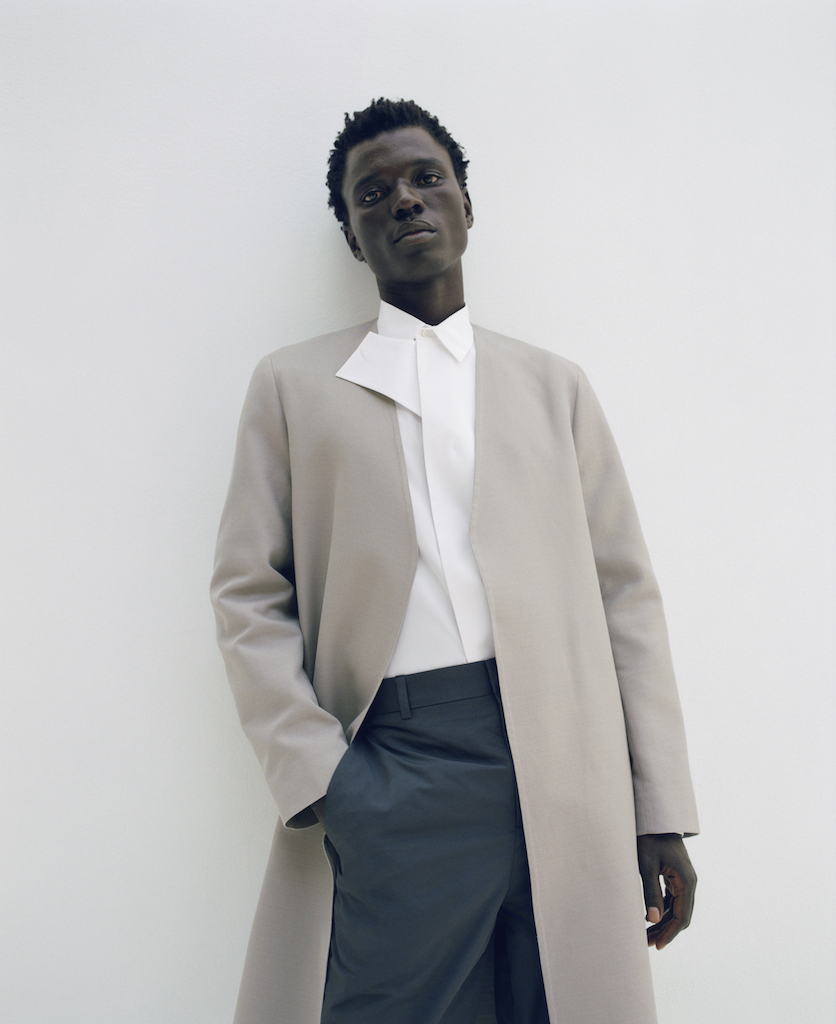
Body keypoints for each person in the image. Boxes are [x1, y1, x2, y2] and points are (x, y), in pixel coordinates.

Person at [211, 98, 699, 1024]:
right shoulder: (294, 386)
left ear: (466, 204)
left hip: (566, 763)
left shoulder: (552, 386)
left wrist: (658, 808)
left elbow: (625, 598)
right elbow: (247, 593)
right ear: (353, 239)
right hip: (396, 763)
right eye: (373, 193)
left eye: (425, 178)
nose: (403, 199)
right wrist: (328, 778)